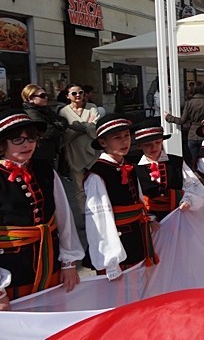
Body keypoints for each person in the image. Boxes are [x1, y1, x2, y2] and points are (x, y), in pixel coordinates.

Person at [0, 109, 83, 310]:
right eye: (17, 140)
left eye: (31, 138)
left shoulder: (45, 170)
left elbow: (63, 218)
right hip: (12, 272)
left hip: (50, 265)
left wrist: (69, 262)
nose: (27, 144)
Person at [83, 114, 158, 281]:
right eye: (117, 138)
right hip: (117, 242)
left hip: (136, 237)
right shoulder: (98, 174)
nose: (125, 142)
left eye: (126, 136)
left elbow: (138, 199)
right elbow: (99, 220)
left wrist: (147, 218)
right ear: (103, 143)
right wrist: (111, 262)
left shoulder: (127, 165)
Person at [133, 119, 204, 222]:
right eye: (147, 144)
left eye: (157, 142)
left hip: (177, 216)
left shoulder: (176, 162)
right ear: (139, 146)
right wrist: (147, 218)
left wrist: (187, 200)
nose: (154, 147)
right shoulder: (134, 167)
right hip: (150, 220)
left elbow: (196, 188)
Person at [58, 84, 100, 235]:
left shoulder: (92, 107)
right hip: (74, 153)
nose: (78, 95)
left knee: (97, 183)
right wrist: (86, 127)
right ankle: (84, 215)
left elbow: (95, 127)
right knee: (79, 187)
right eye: (74, 93)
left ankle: (99, 212)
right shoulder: (63, 111)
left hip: (93, 152)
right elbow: (65, 132)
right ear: (67, 96)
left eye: (80, 92)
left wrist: (78, 127)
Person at [165, 83, 204, 164]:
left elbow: (182, 120)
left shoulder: (189, 102)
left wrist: (169, 117)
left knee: (194, 160)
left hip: (192, 134)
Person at [21, 84, 68, 171]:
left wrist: (54, 126)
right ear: (30, 99)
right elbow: (48, 131)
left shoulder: (46, 110)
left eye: (46, 95)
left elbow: (64, 121)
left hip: (49, 153)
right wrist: (56, 126)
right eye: (42, 96)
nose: (46, 98)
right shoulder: (30, 113)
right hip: (40, 155)